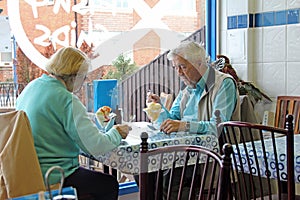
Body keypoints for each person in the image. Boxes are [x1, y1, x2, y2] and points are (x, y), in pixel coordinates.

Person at [16, 47, 131, 200]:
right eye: (83, 78)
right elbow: (96, 146)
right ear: (74, 76)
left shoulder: (32, 87)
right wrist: (116, 132)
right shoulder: (65, 99)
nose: (83, 83)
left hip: (27, 173)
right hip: (55, 175)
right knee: (109, 184)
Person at [146, 41, 240, 199]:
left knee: (168, 178)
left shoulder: (224, 84)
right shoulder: (187, 87)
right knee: (143, 170)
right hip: (183, 150)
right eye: (176, 67)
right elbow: (172, 119)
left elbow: (217, 127)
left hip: (209, 154)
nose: (178, 73)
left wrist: (183, 126)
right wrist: (158, 108)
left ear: (199, 64)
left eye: (182, 66)